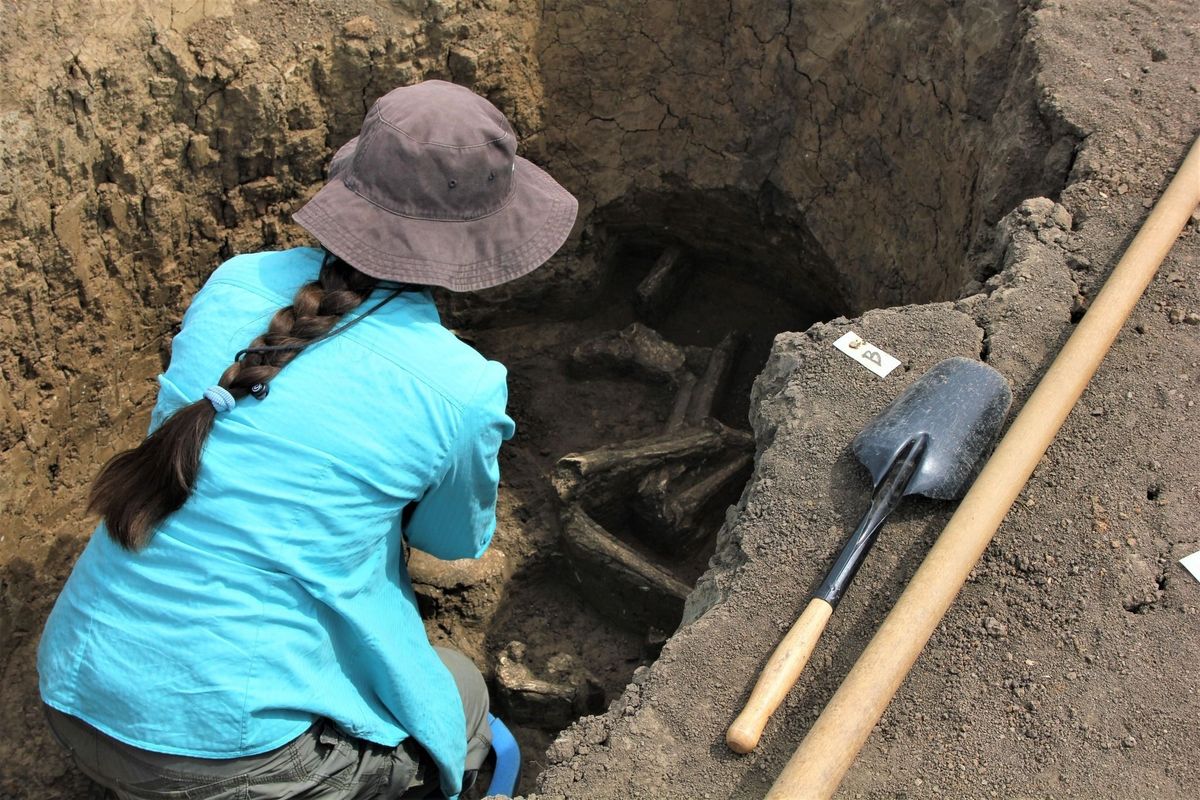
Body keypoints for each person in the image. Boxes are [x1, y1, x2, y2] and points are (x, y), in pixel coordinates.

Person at [36, 80, 578, 800]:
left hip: (74, 686)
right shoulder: (463, 388)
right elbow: (452, 544)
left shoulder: (233, 283)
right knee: (462, 693)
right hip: (226, 761)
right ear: (480, 239)